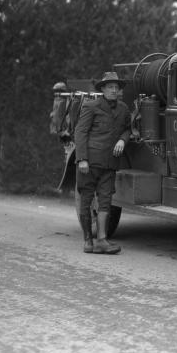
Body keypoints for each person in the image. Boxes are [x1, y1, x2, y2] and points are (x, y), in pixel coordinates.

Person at [74, 72, 131, 254]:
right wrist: (82, 159)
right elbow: (80, 132)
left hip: (110, 164)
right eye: (110, 87)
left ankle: (102, 240)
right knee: (86, 200)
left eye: (116, 87)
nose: (114, 90)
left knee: (106, 201)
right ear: (103, 89)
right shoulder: (91, 106)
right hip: (89, 163)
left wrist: (123, 140)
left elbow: (128, 129)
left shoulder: (123, 109)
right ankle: (87, 240)